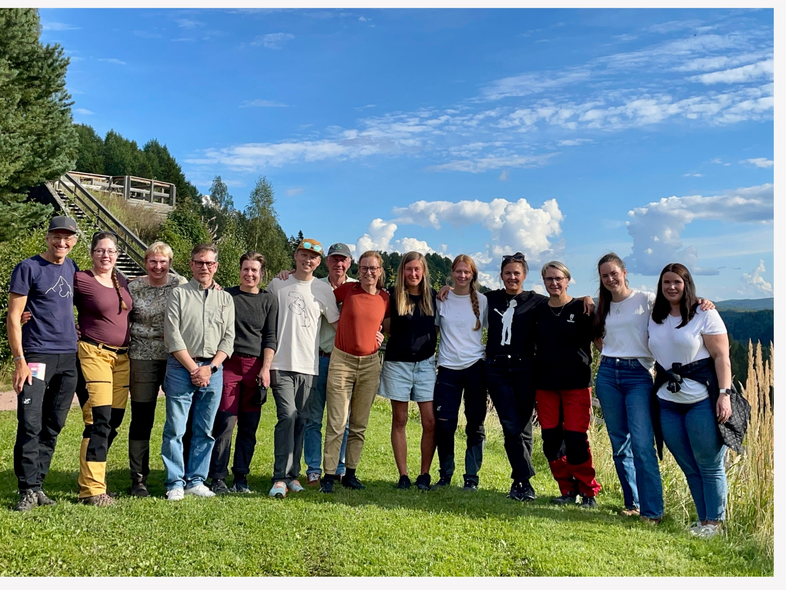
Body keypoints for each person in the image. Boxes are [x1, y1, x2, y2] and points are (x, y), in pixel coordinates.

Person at [593, 253, 713, 523]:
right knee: (618, 441)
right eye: (604, 275)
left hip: (639, 374)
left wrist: (702, 302)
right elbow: (598, 337)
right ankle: (632, 502)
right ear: (600, 279)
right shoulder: (602, 305)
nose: (610, 279)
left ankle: (653, 511)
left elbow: (676, 304)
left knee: (642, 442)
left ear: (624, 272)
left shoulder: (647, 299)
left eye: (614, 273)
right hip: (608, 372)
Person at [648, 263, 731, 539]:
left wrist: (724, 394)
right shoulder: (654, 315)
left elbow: (721, 357)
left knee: (709, 463)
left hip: (700, 400)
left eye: (677, 282)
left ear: (687, 284)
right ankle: (702, 520)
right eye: (666, 282)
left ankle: (714, 524)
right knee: (688, 464)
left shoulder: (704, 314)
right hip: (667, 402)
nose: (671, 287)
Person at [7, 216, 80, 511]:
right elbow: (13, 317)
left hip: (68, 357)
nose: (62, 242)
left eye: (68, 238)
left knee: (54, 424)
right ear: (47, 237)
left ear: (74, 241)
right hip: (36, 355)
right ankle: (26, 488)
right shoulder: (28, 268)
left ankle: (39, 485)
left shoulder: (72, 268)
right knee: (30, 422)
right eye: (56, 236)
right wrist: (19, 360)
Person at [266, 238, 340, 498]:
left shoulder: (322, 290)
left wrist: (371, 337)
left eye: (313, 257)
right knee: (287, 416)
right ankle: (278, 477)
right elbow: (262, 312)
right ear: (295, 255)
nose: (307, 260)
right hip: (280, 363)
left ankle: (292, 475)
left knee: (302, 421)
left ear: (319, 262)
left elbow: (338, 325)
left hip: (309, 367)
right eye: (303, 255)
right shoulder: (278, 283)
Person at [278, 243, 355, 486]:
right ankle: (313, 468)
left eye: (343, 260)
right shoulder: (314, 284)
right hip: (318, 359)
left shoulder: (357, 288)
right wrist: (285, 274)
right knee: (312, 418)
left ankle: (339, 466)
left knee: (342, 418)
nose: (338, 264)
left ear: (349, 263)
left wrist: (376, 334)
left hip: (345, 360)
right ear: (327, 262)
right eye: (334, 259)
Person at [162, 244, 235, 501]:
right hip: (181, 368)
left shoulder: (225, 299)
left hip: (214, 370)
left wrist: (210, 368)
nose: (205, 267)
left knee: (205, 429)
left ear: (216, 266)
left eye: (209, 263)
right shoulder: (178, 295)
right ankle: (175, 482)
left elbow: (228, 339)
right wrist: (195, 369)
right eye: (199, 262)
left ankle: (196, 480)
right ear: (191, 265)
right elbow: (172, 335)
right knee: (176, 428)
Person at [207, 252, 277, 494]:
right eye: (246, 269)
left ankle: (241, 477)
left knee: (249, 427)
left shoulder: (269, 301)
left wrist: (266, 368)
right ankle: (217, 476)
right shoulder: (226, 295)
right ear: (240, 270)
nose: (250, 274)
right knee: (225, 423)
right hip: (229, 365)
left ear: (261, 273)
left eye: (254, 270)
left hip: (255, 369)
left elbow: (270, 337)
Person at [320, 251, 390, 493]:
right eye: (364, 268)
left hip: (370, 364)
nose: (368, 272)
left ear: (380, 271)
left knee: (359, 424)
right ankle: (328, 475)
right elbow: (317, 294)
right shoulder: (347, 290)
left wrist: (382, 334)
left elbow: (387, 326)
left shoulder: (385, 298)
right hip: (342, 361)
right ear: (358, 270)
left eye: (373, 268)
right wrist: (286, 278)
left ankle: (350, 473)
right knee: (337, 422)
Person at [73, 231, 134, 506]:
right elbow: (54, 303)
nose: (105, 255)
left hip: (122, 360)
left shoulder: (121, 280)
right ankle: (92, 491)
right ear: (92, 253)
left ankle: (93, 477)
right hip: (93, 354)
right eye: (100, 250)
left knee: (114, 422)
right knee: (99, 421)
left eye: (110, 251)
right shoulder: (81, 279)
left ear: (117, 255)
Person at [533, 261, 601, 508]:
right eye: (549, 279)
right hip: (546, 384)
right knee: (551, 440)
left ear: (568, 280)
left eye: (558, 278)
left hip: (576, 384)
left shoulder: (583, 308)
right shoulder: (538, 310)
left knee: (576, 440)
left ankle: (588, 492)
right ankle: (566, 489)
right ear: (543, 281)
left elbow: (599, 339)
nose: (554, 283)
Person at [126, 241, 187, 497]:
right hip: (141, 357)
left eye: (163, 261)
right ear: (145, 262)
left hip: (176, 357)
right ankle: (138, 479)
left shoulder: (180, 283)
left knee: (180, 418)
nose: (158, 266)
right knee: (142, 418)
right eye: (153, 261)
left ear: (170, 263)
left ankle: (180, 476)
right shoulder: (134, 287)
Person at [379, 251, 438, 491]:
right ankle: (403, 474)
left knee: (430, 421)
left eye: (417, 269)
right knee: (400, 419)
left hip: (425, 364)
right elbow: (382, 322)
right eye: (408, 269)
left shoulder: (434, 297)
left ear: (423, 272)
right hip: (397, 364)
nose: (413, 274)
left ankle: (424, 474)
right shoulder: (392, 297)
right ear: (402, 271)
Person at [431, 254, 488, 492]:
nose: (462, 276)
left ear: (473, 275)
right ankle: (445, 475)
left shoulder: (483, 301)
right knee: (444, 425)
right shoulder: (441, 298)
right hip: (447, 369)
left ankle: (471, 478)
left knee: (475, 425)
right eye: (458, 271)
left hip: (475, 367)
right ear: (452, 273)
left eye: (467, 272)